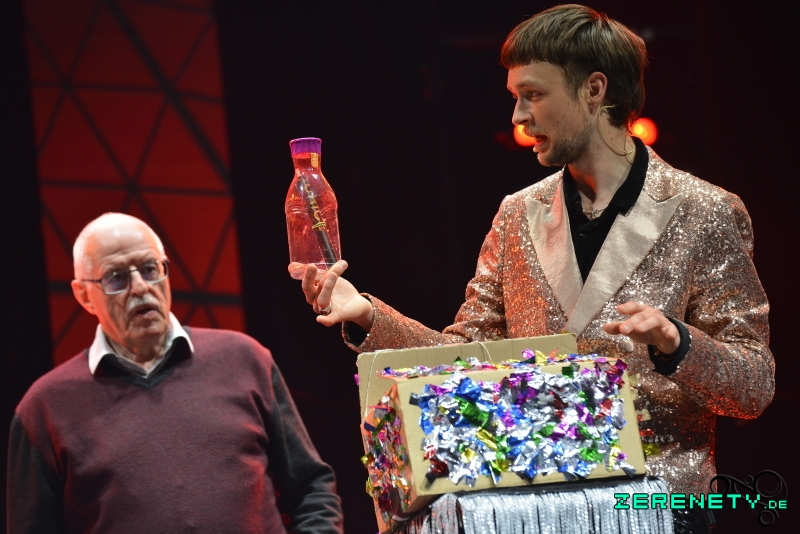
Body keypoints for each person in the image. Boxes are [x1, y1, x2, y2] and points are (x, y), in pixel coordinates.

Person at [295, 4, 773, 531]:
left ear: (594, 90)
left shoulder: (704, 211)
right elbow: (464, 359)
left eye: (533, 95)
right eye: (515, 98)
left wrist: (676, 342)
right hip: (535, 512)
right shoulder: (517, 214)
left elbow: (753, 385)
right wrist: (367, 315)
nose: (518, 118)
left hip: (657, 510)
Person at [8, 213, 343, 533]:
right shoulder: (45, 406)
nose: (140, 287)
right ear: (84, 295)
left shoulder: (244, 358)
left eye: (149, 269)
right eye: (116, 277)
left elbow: (311, 489)